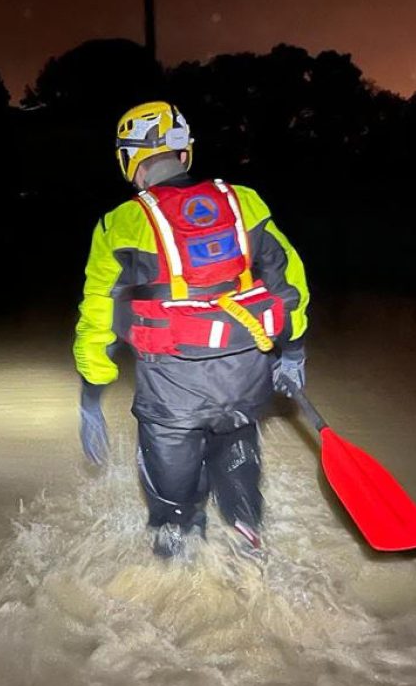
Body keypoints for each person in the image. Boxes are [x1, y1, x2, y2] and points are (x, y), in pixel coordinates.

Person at [73, 101, 310, 558]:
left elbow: (96, 317)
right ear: (184, 152)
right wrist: (293, 350)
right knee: (240, 483)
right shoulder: (245, 201)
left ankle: (180, 566)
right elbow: (289, 282)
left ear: (130, 162)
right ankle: (247, 535)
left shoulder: (119, 224)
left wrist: (91, 396)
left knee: (174, 518)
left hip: (171, 400)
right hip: (245, 385)